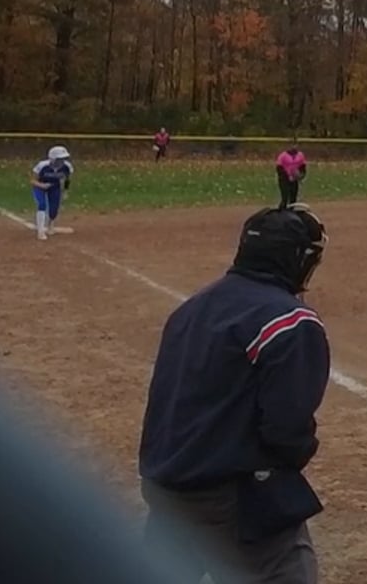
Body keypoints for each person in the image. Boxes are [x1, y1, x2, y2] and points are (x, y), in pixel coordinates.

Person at [138, 205, 330, 584]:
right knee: (287, 571)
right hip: (224, 495)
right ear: (297, 260)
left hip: (164, 485)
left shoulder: (193, 307)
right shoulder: (290, 321)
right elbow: (287, 431)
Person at [30, 144, 72, 241]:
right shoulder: (42, 166)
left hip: (54, 187)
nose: (61, 161)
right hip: (40, 186)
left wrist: (65, 191)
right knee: (42, 204)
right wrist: (42, 185)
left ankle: (50, 225)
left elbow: (67, 179)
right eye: (59, 159)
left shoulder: (67, 167)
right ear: (53, 158)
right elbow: (32, 180)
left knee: (54, 209)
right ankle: (40, 231)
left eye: (63, 159)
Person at [276, 142, 308, 209]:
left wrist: (300, 176)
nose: (293, 147)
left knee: (293, 199)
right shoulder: (283, 156)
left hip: (294, 179)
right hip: (284, 180)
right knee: (285, 198)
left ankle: (291, 212)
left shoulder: (300, 155)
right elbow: (279, 169)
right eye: (291, 145)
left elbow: (303, 167)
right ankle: (281, 211)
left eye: (294, 145)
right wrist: (287, 177)